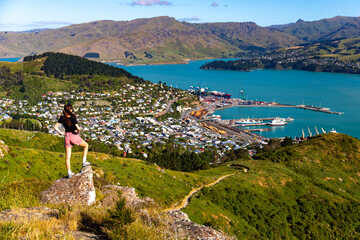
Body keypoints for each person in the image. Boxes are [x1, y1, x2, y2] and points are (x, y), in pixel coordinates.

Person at [54, 104, 90, 178]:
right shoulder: (73, 118)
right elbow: (78, 128)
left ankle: (69, 173)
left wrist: (61, 133)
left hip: (66, 136)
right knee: (86, 145)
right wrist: (78, 131)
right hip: (73, 135)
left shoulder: (62, 118)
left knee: (68, 157)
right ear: (70, 110)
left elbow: (55, 127)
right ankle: (84, 162)